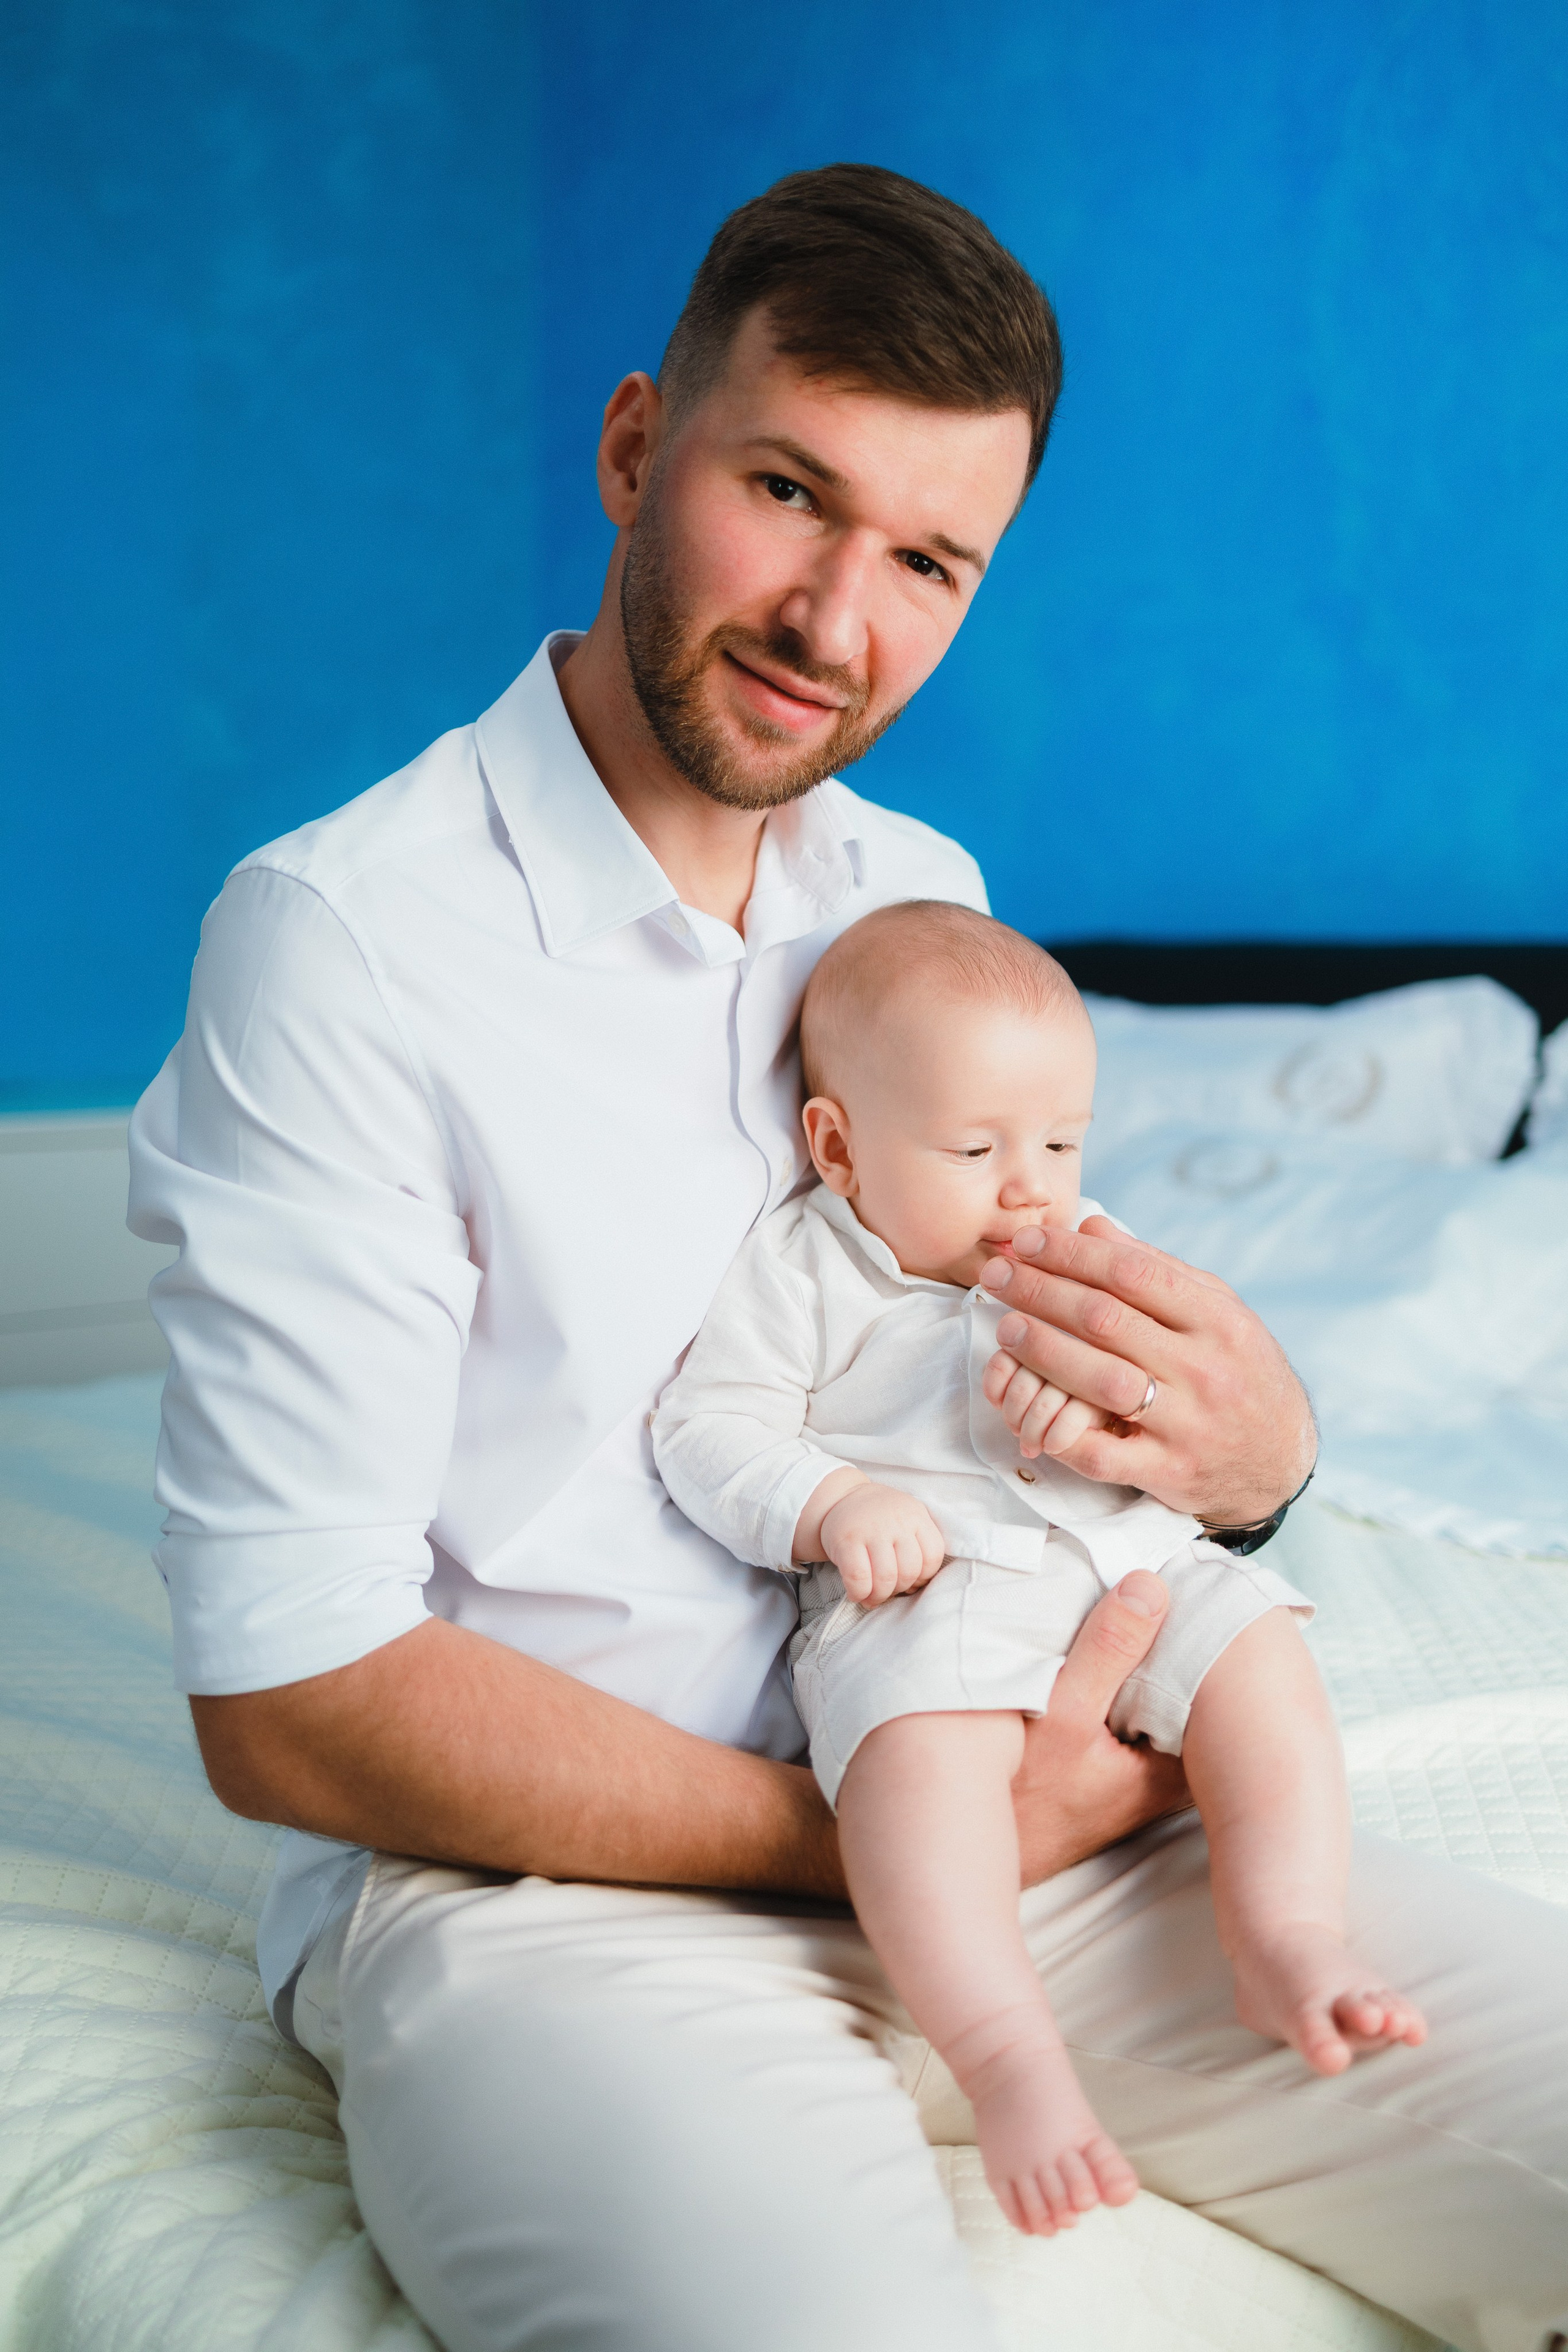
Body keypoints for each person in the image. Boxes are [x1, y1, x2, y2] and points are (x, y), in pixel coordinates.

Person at [127, 165, 1567, 2352]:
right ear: (636, 449)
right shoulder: (345, 944)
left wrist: (1256, 1468)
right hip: (546, 1904)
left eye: (926, 559)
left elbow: (1033, 1369)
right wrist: (884, 1838)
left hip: (1028, 1800)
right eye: (786, 492)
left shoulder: (921, 894)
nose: (834, 620)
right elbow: (292, 1697)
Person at [653, 900, 1427, 2239]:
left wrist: (1131, 1430)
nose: (1031, 1186)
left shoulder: (1083, 1242)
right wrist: (831, 1501)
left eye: (1062, 1142)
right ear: (836, 1149)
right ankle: (1006, 2056)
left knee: (1260, 1653)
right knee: (918, 1762)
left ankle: (1287, 1928)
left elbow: (1174, 1406)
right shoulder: (803, 1270)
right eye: (974, 1148)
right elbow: (706, 1430)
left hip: (1120, 1552)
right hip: (931, 1582)